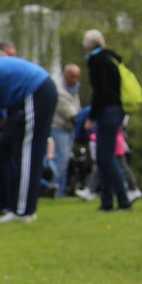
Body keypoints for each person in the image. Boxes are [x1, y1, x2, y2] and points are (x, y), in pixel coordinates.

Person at [0, 52, 59, 223]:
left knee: (28, 153)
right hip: (32, 94)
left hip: (34, 92)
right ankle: (14, 207)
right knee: (10, 152)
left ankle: (23, 212)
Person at [81, 30, 132, 212]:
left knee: (106, 158)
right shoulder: (111, 58)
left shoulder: (97, 61)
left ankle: (123, 200)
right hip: (116, 109)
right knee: (105, 158)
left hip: (107, 111)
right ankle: (107, 201)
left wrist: (91, 116)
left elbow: (100, 92)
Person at [51, 64, 82, 196]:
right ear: (66, 74)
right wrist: (82, 120)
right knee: (61, 159)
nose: (75, 80)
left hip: (69, 129)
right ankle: (55, 190)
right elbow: (71, 114)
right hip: (58, 127)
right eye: (72, 77)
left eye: (77, 77)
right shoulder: (59, 89)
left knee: (65, 160)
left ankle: (61, 190)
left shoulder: (73, 88)